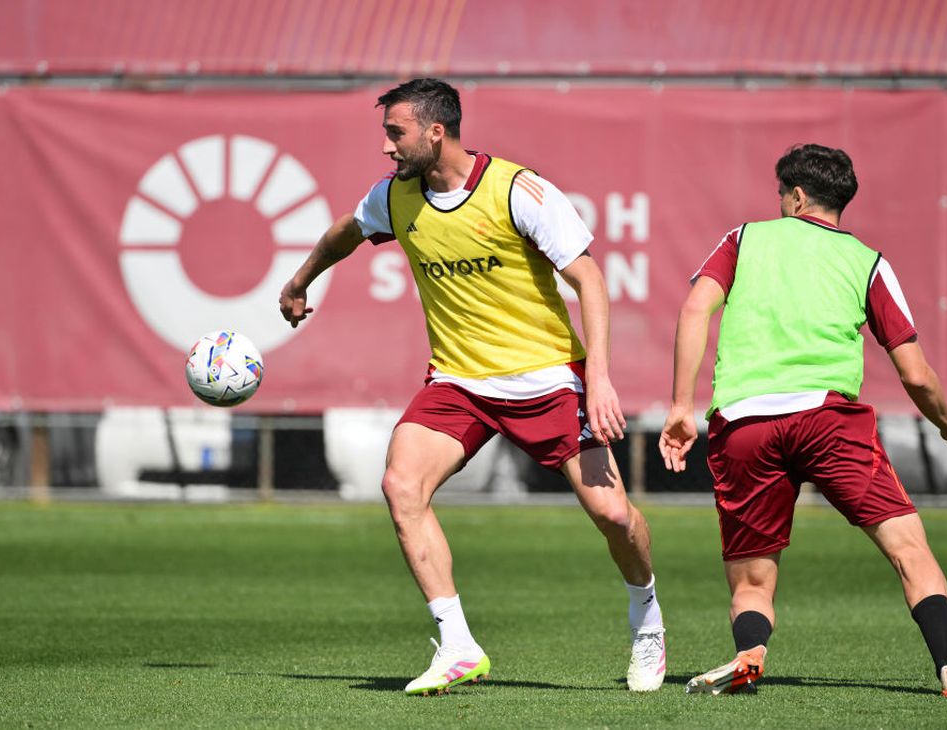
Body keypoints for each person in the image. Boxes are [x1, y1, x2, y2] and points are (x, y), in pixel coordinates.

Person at [280, 78, 666, 696]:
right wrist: (301, 279)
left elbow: (589, 280)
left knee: (614, 515)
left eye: (395, 132)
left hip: (548, 381)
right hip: (459, 382)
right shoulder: (393, 197)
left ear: (436, 132)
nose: (386, 147)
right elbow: (345, 233)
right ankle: (458, 645)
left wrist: (597, 380)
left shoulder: (518, 191)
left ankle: (647, 619)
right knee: (401, 485)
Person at [659, 144, 947, 698]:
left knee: (752, 580)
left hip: (745, 425)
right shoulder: (867, 261)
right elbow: (914, 372)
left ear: (795, 196)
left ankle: (749, 654)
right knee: (910, 551)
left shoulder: (744, 239)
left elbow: (695, 308)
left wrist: (679, 406)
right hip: (828, 422)